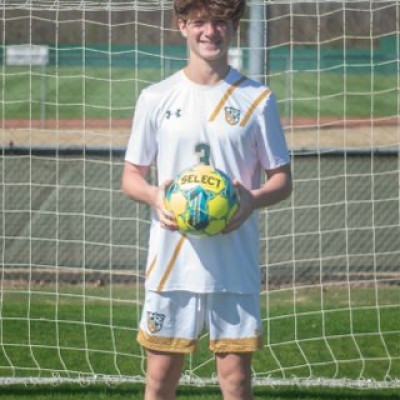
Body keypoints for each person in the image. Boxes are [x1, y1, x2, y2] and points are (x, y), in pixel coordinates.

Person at [121, 0, 292, 398]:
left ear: (233, 27)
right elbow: (131, 177)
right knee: (160, 377)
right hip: (171, 262)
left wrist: (251, 200)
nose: (210, 31)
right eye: (200, 22)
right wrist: (154, 195)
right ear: (183, 26)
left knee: (236, 378)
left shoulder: (257, 99)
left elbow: (282, 180)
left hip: (233, 261)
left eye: (220, 22)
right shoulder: (156, 97)